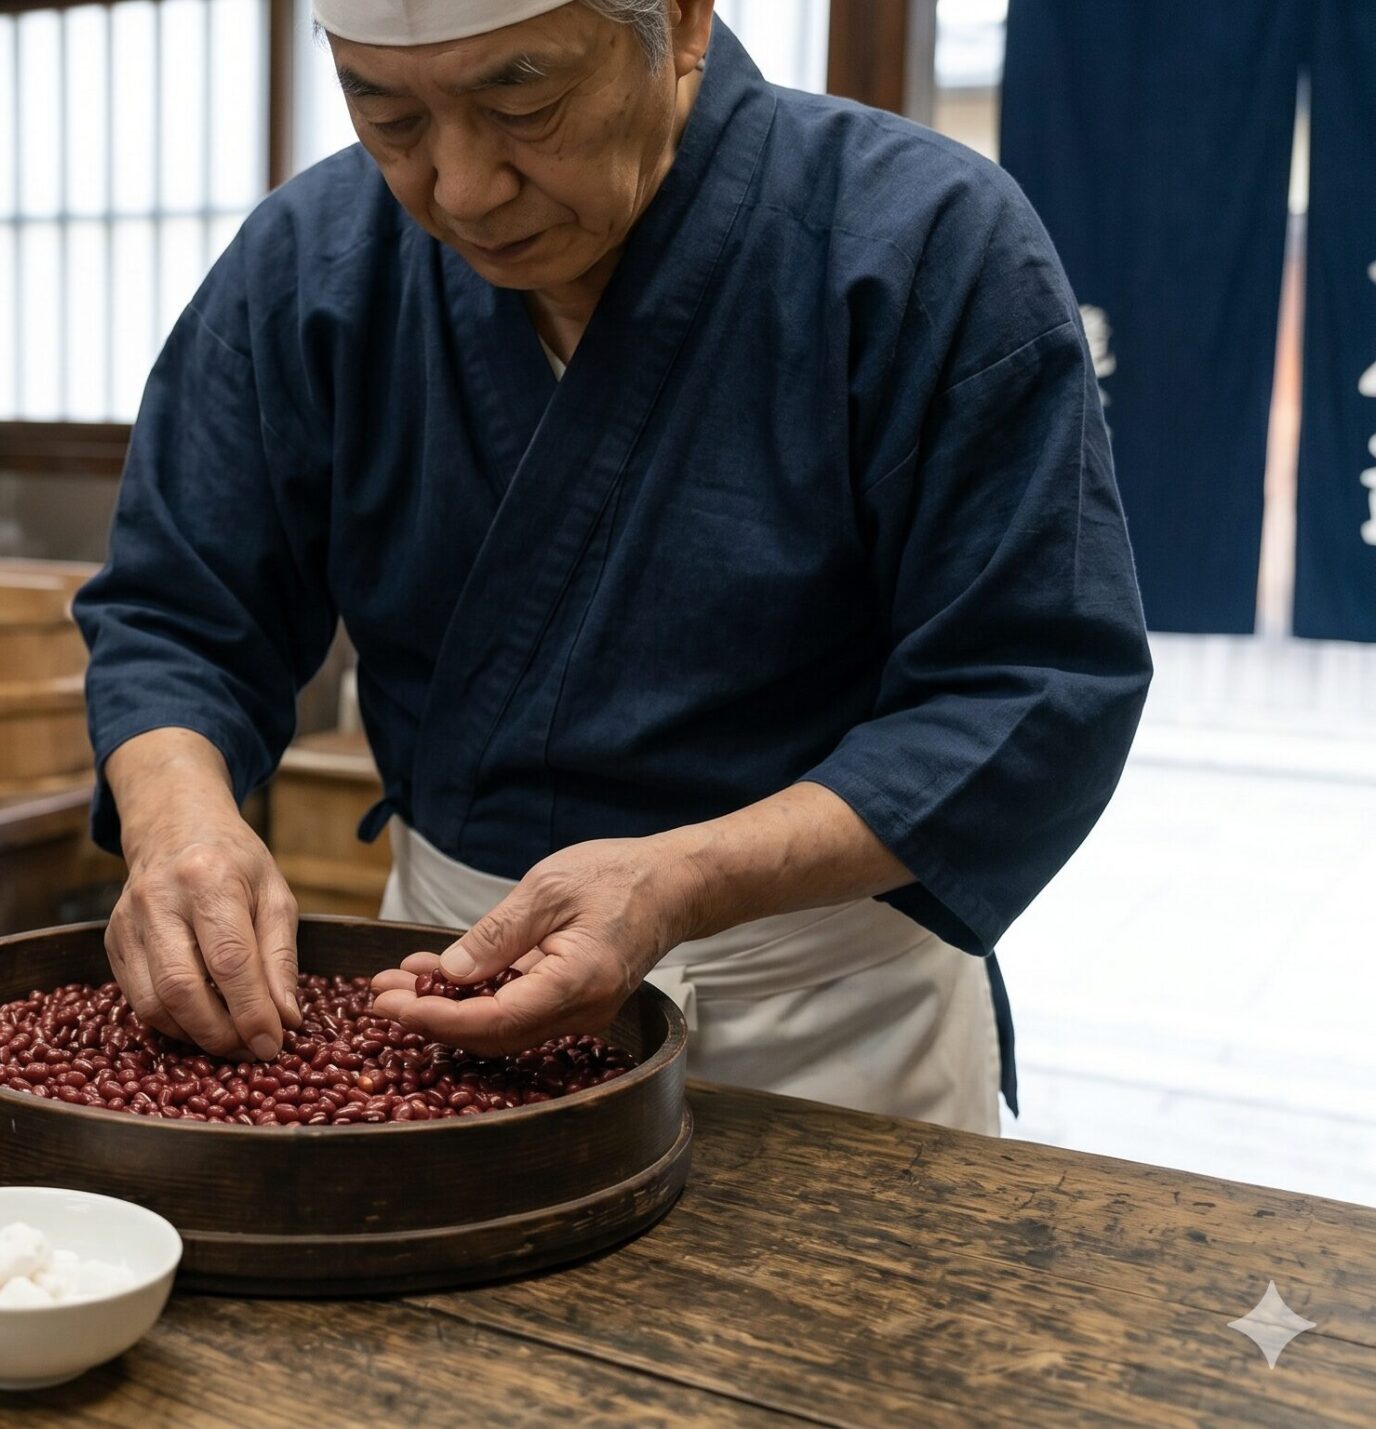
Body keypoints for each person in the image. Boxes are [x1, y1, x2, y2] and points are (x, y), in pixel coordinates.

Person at [72, 0, 1152, 1134]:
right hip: (440, 985)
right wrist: (177, 820)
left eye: (522, 104)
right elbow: (177, 610)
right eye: (386, 114)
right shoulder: (309, 263)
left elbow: (1031, 685)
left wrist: (684, 879)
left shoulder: (924, 236)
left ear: (680, 22)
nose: (461, 187)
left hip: (822, 1015)